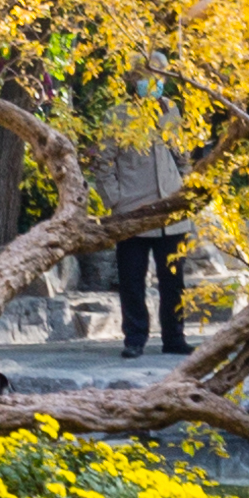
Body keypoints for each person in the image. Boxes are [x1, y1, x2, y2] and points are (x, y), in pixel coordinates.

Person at [91, 121, 192, 357]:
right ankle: (135, 338)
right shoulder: (117, 116)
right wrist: (116, 200)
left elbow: (183, 158)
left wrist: (185, 191)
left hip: (171, 214)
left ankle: (175, 338)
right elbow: (103, 163)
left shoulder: (170, 110)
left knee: (174, 282)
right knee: (132, 281)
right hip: (132, 213)